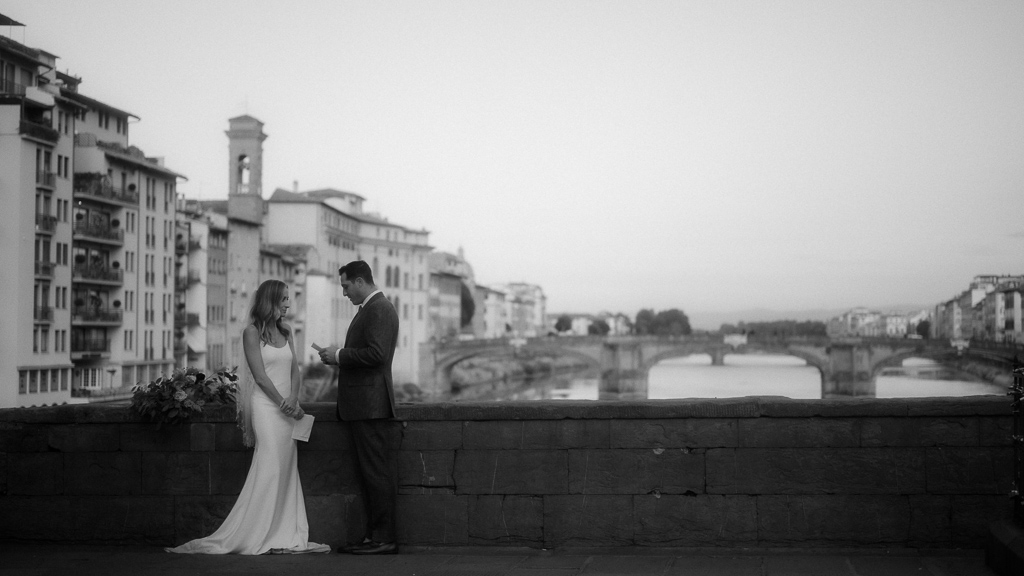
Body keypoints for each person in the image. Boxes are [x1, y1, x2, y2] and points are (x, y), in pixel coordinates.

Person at [166, 280, 330, 555]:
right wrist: (282, 404)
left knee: (286, 469)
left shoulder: (287, 331)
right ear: (270, 301)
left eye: (289, 299)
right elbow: (260, 377)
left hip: (287, 409)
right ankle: (254, 532)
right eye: (284, 300)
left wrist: (293, 400)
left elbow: (295, 370)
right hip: (266, 409)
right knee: (270, 467)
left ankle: (283, 531)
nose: (289, 304)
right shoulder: (251, 333)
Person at [318, 260, 400, 555]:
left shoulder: (378, 308)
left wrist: (338, 355)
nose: (344, 293)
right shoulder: (373, 308)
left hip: (370, 405)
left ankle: (383, 539)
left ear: (361, 281)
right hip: (366, 405)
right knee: (371, 474)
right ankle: (374, 537)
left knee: (375, 474)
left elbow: (377, 354)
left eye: (345, 286)